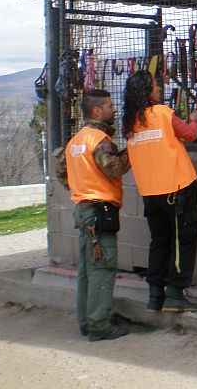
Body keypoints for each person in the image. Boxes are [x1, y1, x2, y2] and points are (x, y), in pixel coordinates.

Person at [122, 70, 197, 313]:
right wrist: (194, 119)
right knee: (182, 242)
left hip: (150, 193)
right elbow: (189, 134)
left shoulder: (130, 122)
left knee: (160, 242)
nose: (159, 89)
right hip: (177, 189)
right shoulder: (162, 113)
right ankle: (175, 294)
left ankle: (155, 294)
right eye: (155, 86)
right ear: (147, 91)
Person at [56, 89, 131, 342]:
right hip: (100, 211)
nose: (114, 109)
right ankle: (100, 325)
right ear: (97, 111)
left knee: (87, 270)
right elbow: (114, 168)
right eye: (110, 106)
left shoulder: (76, 140)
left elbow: (61, 172)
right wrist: (132, 147)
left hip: (83, 209)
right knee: (103, 268)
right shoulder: (99, 140)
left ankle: (86, 321)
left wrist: (80, 188)